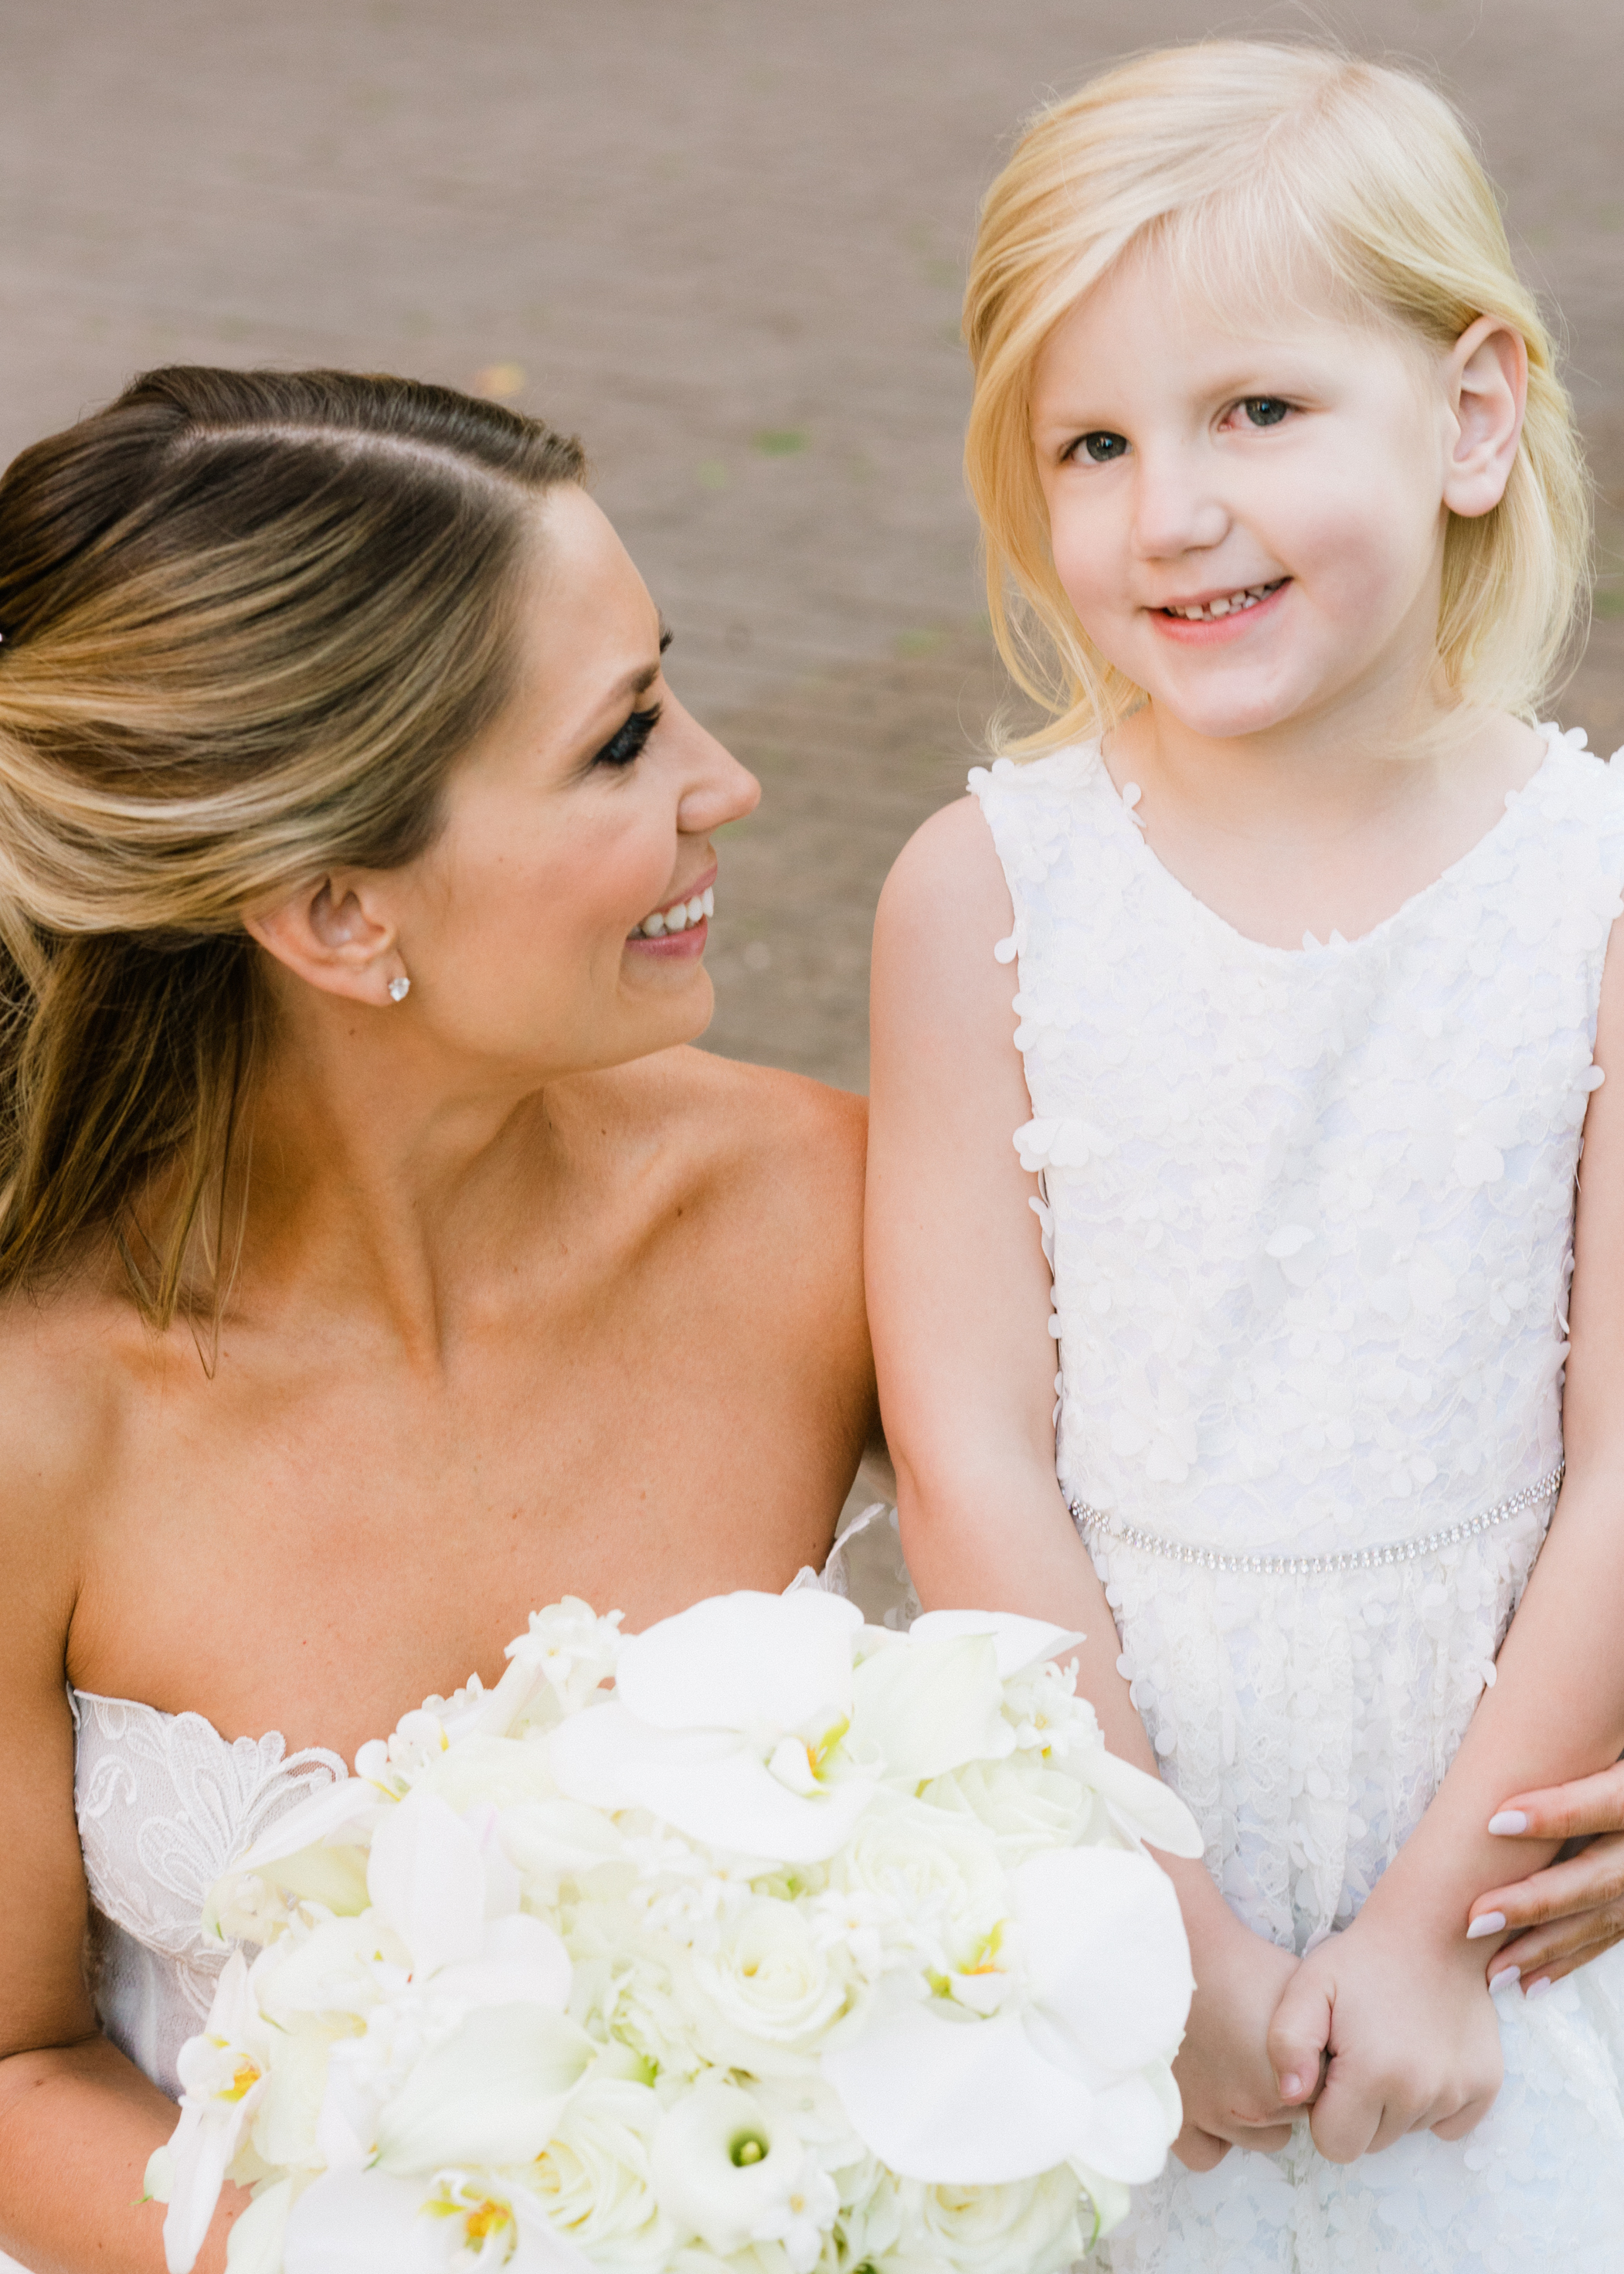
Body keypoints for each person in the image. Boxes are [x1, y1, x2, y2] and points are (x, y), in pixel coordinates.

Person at [867, 41, 1624, 2270]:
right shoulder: (979, 886)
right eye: (1089, 444)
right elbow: (970, 1443)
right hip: (1101, 1803)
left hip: (1495, 1831)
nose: (1165, 511)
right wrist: (1144, 1902)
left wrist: (1430, 1914)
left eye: (1253, 414)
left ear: (1469, 412)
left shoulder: (1590, 887)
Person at [0, 368, 878, 2273]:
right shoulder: (38, 1409)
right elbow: (8, 2061)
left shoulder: (827, 1210)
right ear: (335, 913)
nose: (727, 779)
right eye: (623, 739)